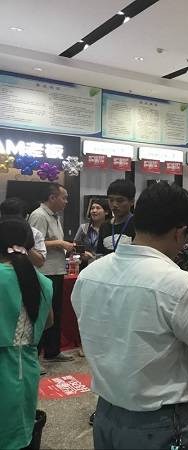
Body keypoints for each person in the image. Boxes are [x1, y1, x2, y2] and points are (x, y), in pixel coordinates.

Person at [72, 181, 188, 450]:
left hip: (106, 415)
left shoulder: (89, 275)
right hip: (160, 424)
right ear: (181, 232)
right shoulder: (177, 283)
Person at [0, 217, 53, 449]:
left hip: (4, 367)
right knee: (20, 432)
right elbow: (49, 321)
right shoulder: (42, 282)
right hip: (27, 368)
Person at [28, 183, 75, 362]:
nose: (66, 201)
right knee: (43, 315)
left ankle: (53, 351)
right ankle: (35, 357)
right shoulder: (39, 215)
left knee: (55, 313)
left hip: (56, 269)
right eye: (64, 198)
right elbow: (32, 243)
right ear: (52, 197)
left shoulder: (55, 216)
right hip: (44, 271)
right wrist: (60, 243)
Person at [1, 197, 47, 268]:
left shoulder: (34, 233)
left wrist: (25, 245)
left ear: (26, 217)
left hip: (25, 272)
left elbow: (40, 263)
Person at [96, 179, 136, 255]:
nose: (114, 205)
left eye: (120, 201)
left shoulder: (138, 225)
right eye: (111, 200)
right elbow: (99, 253)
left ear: (132, 201)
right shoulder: (104, 226)